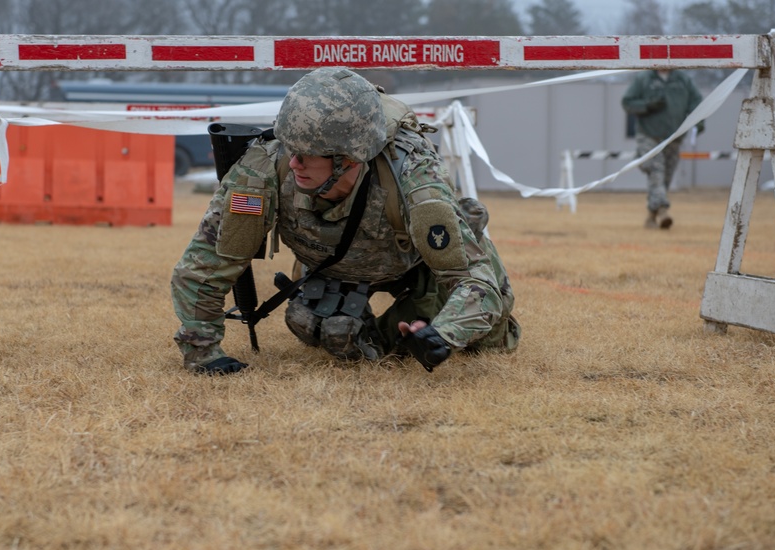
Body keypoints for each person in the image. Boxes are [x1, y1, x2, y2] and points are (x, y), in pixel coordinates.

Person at [170, 67, 519, 375]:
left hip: (415, 262)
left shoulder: (413, 177)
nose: (293, 164)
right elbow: (203, 266)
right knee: (331, 333)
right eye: (290, 150)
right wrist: (204, 353)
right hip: (332, 267)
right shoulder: (263, 168)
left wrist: (444, 334)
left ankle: (423, 314)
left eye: (307, 156)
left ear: (348, 160)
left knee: (493, 339)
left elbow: (475, 281)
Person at [621, 69, 703, 229]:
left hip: (674, 137)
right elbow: (627, 102)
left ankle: (651, 216)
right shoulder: (644, 79)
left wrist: (698, 123)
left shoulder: (683, 80)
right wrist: (647, 105)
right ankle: (663, 210)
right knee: (655, 169)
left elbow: (696, 103)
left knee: (664, 178)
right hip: (648, 135)